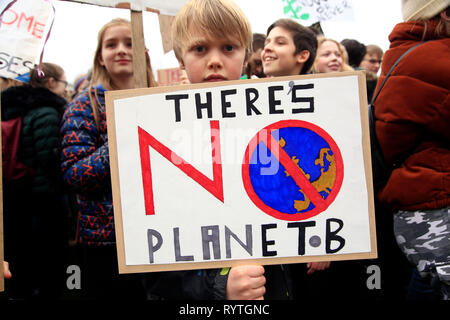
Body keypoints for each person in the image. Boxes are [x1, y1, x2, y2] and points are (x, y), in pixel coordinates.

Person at [145, 0, 295, 300]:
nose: (215, 60)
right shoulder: (159, 130)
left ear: (245, 54)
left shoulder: (272, 123)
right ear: (181, 58)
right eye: (200, 49)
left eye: (228, 48)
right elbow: (158, 272)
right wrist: (217, 288)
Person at [60, 18, 157, 300]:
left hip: (158, 235)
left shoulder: (160, 98)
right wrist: (123, 137)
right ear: (100, 57)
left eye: (130, 43)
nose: (122, 50)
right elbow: (74, 174)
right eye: (111, 44)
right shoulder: (84, 105)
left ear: (143, 52)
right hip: (107, 242)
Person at [374, 0, 450, 300]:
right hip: (438, 210)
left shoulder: (408, 53)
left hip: (423, 210)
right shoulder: (435, 58)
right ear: (445, 12)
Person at [1, 62, 69, 299]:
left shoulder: (17, 106)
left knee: (23, 253)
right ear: (51, 82)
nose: (65, 88)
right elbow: (49, 158)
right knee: (49, 254)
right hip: (45, 196)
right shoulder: (47, 111)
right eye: (63, 83)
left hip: (19, 192)